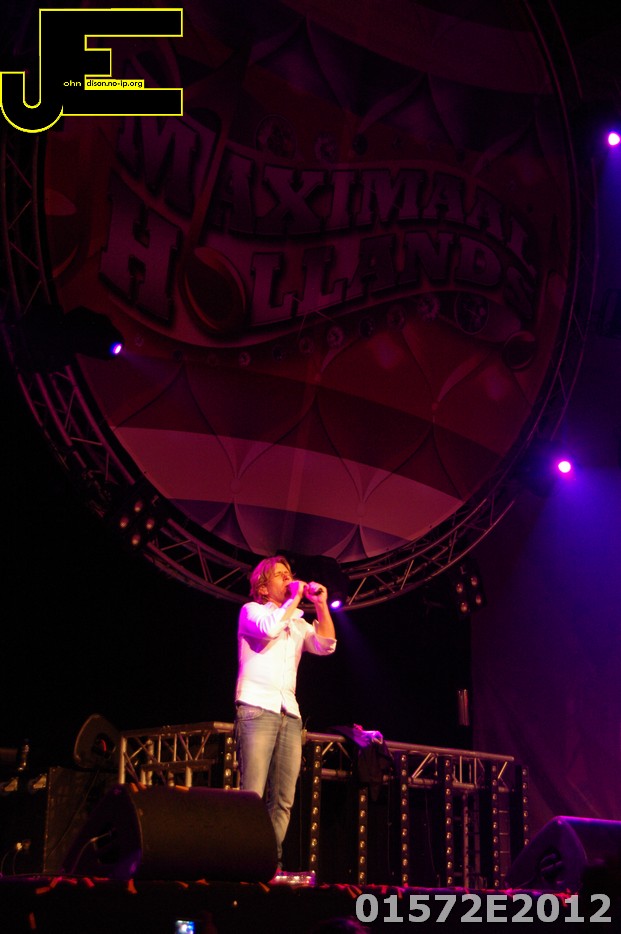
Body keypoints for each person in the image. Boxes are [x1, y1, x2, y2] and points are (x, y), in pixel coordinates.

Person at [234, 554, 337, 873]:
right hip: (257, 707)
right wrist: (293, 599)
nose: (289, 579)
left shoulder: (297, 622)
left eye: (290, 574)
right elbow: (269, 629)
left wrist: (321, 605)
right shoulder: (252, 611)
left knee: (283, 800)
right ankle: (244, 862)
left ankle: (269, 862)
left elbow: (326, 645)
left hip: (289, 713)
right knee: (252, 794)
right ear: (263, 588)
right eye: (280, 575)